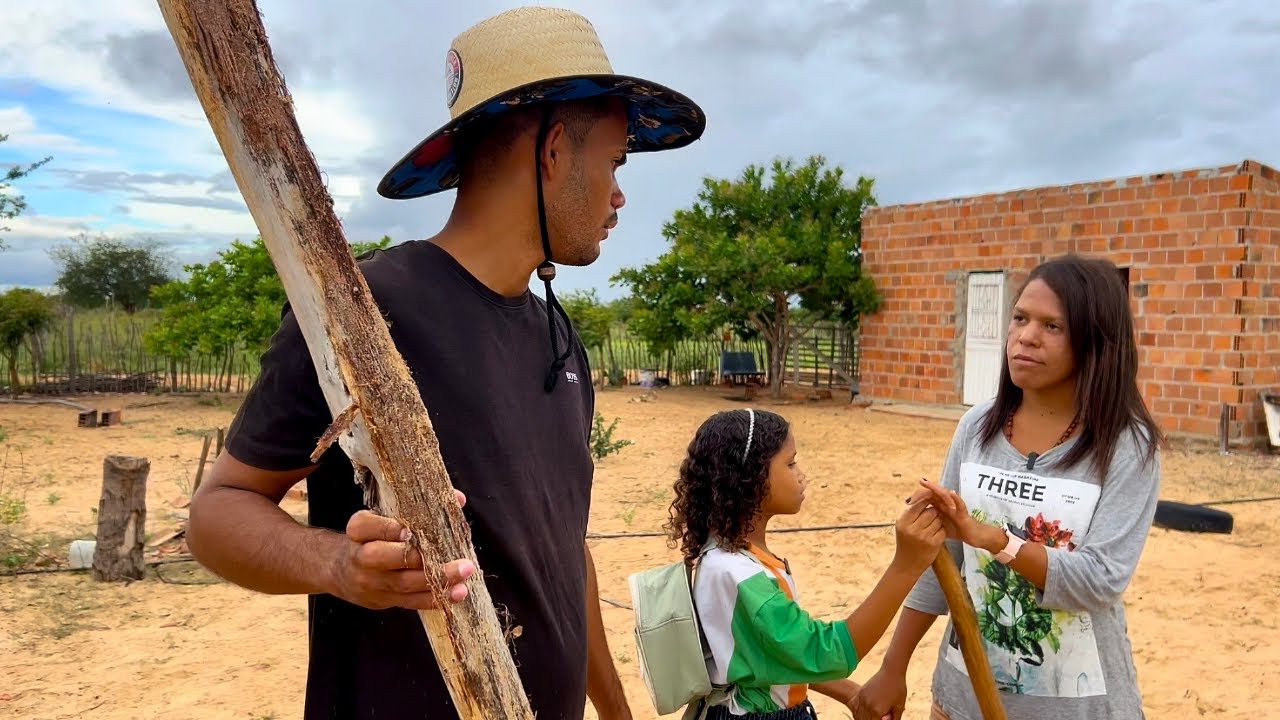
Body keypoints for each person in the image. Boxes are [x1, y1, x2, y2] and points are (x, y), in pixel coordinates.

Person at [185, 7, 706, 720]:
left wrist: (612, 711)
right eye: (615, 161)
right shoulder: (366, 313)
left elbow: (560, 549)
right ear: (554, 150)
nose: (620, 195)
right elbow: (216, 515)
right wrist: (339, 566)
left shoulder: (559, 336)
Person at [852, 254, 1165, 720]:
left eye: (1052, 326)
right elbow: (944, 559)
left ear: (1095, 340)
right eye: (1020, 318)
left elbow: (1100, 580)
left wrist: (995, 539)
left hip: (1076, 706)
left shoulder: (1127, 446)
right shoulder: (977, 427)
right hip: (963, 698)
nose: (1026, 336)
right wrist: (894, 667)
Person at [664, 407, 947, 719]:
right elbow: (825, 652)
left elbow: (775, 653)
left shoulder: (725, 553)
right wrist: (905, 566)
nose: (801, 474)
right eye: (790, 462)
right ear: (752, 477)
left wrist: (849, 692)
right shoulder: (742, 577)